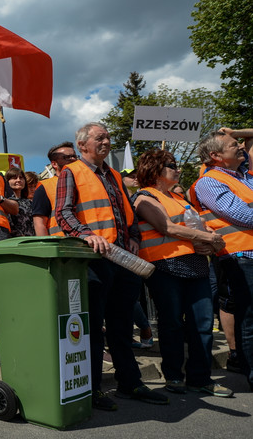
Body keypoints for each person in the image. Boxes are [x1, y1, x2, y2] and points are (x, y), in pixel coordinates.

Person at [55, 122, 169, 411]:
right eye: (100, 137)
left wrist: (133, 238)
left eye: (108, 137)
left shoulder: (115, 175)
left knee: (121, 326)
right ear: (82, 145)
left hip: (123, 260)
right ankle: (91, 390)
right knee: (93, 327)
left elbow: (127, 214)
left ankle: (130, 383)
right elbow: (63, 213)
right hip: (94, 262)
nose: (107, 141)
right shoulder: (71, 172)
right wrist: (87, 234)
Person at [132, 148, 231, 397]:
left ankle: (200, 378)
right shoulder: (144, 197)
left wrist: (208, 241)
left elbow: (195, 226)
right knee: (172, 323)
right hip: (166, 268)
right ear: (155, 170)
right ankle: (174, 377)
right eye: (172, 165)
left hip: (197, 266)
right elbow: (166, 226)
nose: (178, 169)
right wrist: (206, 237)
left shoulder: (180, 199)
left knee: (203, 324)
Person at [192, 129, 253, 392]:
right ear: (216, 155)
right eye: (233, 144)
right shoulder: (209, 182)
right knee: (250, 318)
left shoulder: (247, 178)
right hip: (242, 258)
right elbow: (243, 215)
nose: (240, 146)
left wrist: (237, 131)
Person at [32, 141, 77, 236]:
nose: (73, 159)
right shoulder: (45, 186)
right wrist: (45, 248)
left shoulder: (85, 181)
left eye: (74, 156)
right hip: (62, 244)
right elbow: (39, 223)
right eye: (67, 157)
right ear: (54, 164)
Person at [5, 166, 34, 238]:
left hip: (33, 240)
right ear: (7, 181)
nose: (18, 180)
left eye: (21, 178)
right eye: (14, 178)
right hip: (15, 242)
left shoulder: (30, 202)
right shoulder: (5, 202)